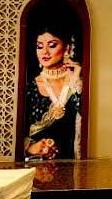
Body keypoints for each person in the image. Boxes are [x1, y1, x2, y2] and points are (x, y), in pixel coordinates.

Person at [24, 23, 83, 160]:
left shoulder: (77, 82)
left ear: (66, 48)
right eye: (39, 47)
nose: (44, 52)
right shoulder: (30, 87)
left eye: (52, 45)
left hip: (76, 164)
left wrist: (77, 81)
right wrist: (31, 147)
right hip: (39, 166)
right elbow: (13, 132)